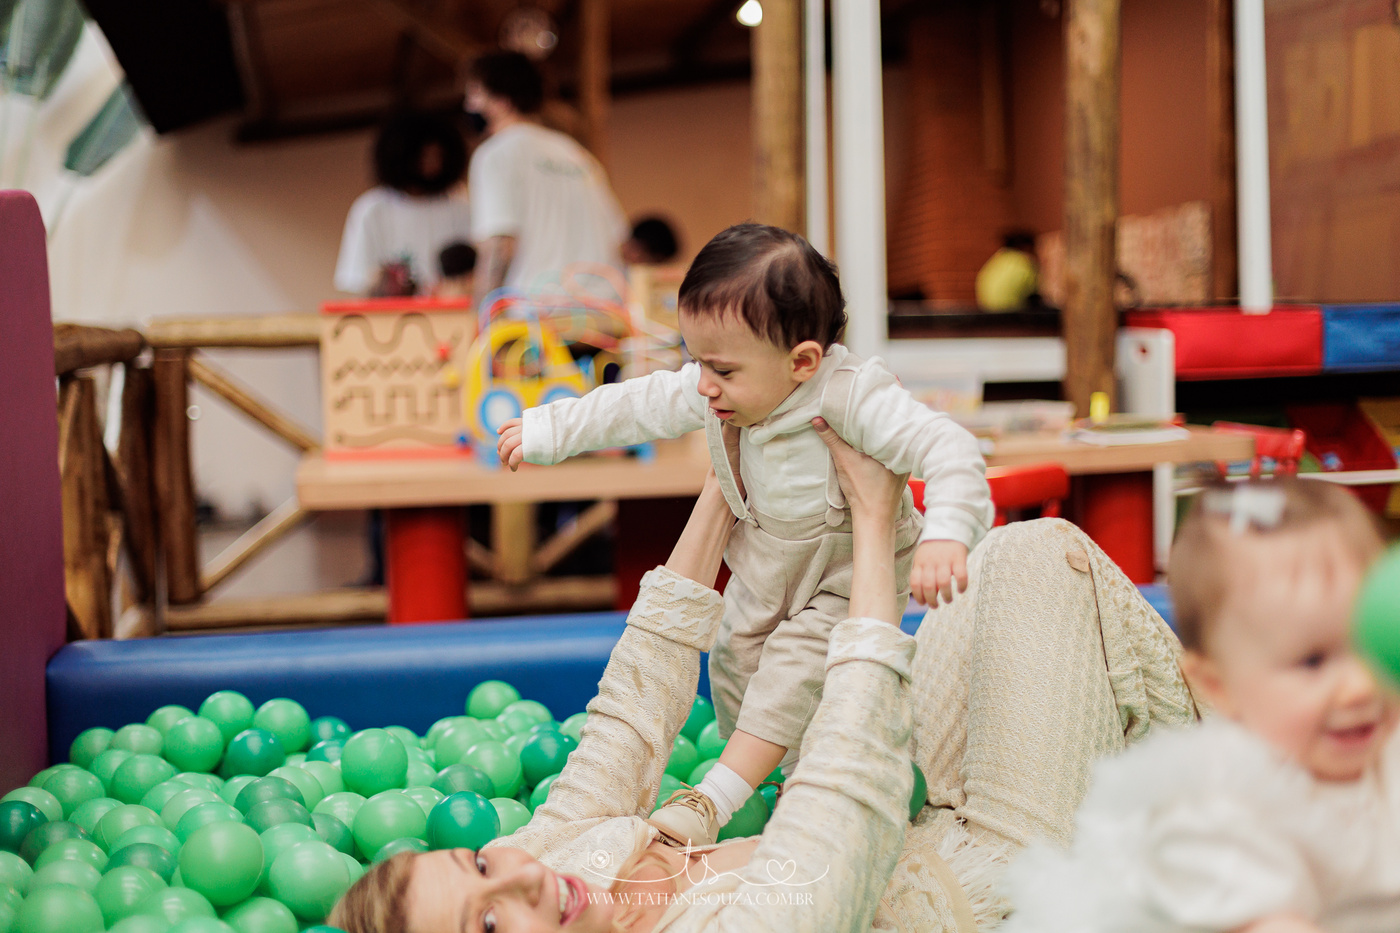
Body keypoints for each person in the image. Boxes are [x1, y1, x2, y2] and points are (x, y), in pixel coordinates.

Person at [328, 426, 1194, 932]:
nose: (517, 877)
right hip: (997, 878)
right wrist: (872, 519)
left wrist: (727, 473)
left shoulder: (554, 865)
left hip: (912, 806)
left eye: (479, 859)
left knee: (995, 559)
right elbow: (843, 801)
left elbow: (628, 716)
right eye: (487, 922)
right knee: (1040, 556)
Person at [497, 222, 993, 846]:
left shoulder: (852, 395)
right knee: (734, 661)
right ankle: (795, 774)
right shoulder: (723, 386)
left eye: (722, 369)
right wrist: (550, 430)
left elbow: (947, 446)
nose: (704, 383)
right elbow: (639, 404)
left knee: (793, 671)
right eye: (696, 361)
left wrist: (947, 532)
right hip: (763, 561)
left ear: (802, 362)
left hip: (843, 577)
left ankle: (713, 800)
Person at [1001, 479, 1398, 933]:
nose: (1361, 687)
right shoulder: (1216, 808)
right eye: (1313, 661)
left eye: (1373, 646)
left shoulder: (1386, 751)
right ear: (1219, 686)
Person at [463, 51, 628, 308]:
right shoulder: (577, 155)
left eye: (474, 94)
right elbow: (619, 238)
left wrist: (481, 315)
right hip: (602, 310)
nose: (468, 106)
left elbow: (500, 244)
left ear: (501, 100)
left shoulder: (496, 154)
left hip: (537, 313)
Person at [335, 111, 473, 297]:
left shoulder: (459, 205)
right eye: (424, 156)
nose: (433, 163)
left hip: (449, 309)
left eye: (438, 155)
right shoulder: (372, 209)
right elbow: (358, 281)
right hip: (394, 311)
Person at [974, 231, 1039, 313]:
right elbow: (1036, 292)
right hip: (1013, 314)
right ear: (1026, 247)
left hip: (987, 313)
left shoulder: (997, 260)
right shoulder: (1024, 261)